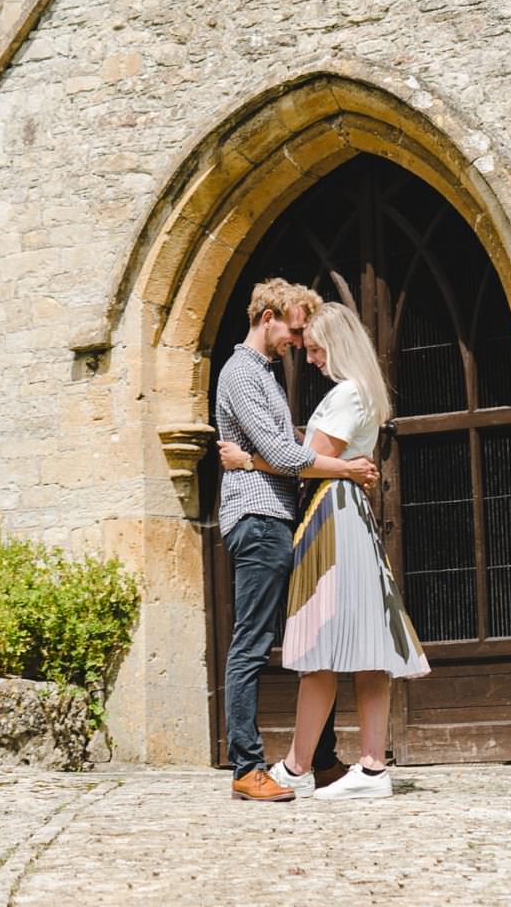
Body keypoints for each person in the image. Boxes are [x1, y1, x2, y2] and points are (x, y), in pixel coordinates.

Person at [224, 298, 429, 798]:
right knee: (354, 641)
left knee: (324, 640)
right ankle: (360, 766)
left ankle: (302, 767)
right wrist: (340, 465)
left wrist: (249, 461)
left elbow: (305, 459)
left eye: (314, 348)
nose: (308, 357)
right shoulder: (355, 393)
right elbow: (309, 454)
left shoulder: (347, 395)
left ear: (335, 345)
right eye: (304, 346)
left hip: (331, 514)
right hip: (336, 511)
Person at [213, 279, 378, 802]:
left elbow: (283, 448)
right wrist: (347, 470)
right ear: (268, 318)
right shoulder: (241, 372)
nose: (298, 341)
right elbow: (285, 456)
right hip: (257, 520)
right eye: (295, 327)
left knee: (314, 640)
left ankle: (321, 760)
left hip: (278, 518)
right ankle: (245, 766)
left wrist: (261, 456)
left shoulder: (263, 375)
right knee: (252, 644)